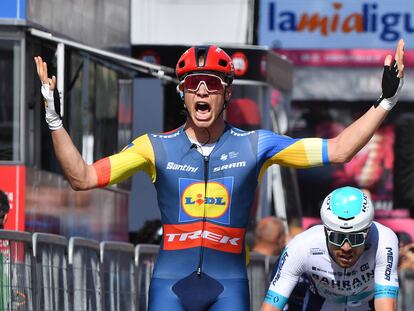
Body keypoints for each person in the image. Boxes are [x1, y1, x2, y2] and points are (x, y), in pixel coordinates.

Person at [34, 39, 404, 311]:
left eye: (210, 84)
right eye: (192, 84)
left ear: (226, 93)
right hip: (169, 286)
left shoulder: (256, 145)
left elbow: (338, 150)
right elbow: (81, 177)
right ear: (182, 93)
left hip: (228, 288)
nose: (201, 91)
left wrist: (385, 101)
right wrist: (53, 118)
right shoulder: (153, 147)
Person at [261, 186, 399, 311]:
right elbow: (272, 307)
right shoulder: (302, 246)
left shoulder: (384, 240)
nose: (346, 247)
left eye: (355, 238)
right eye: (337, 238)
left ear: (367, 233)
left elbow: (385, 305)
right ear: (326, 232)